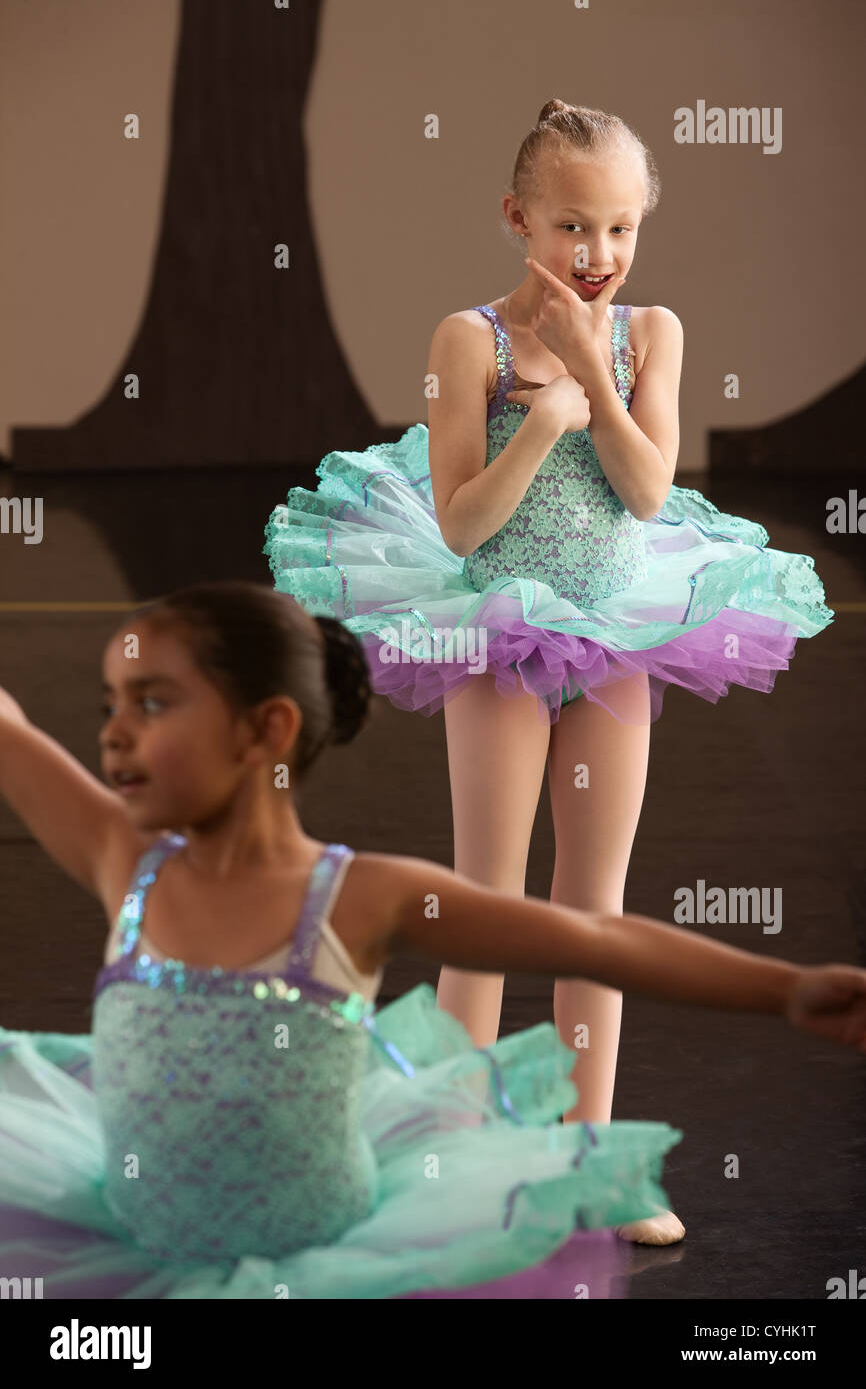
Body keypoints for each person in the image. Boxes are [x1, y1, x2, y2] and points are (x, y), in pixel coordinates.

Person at [262, 100, 833, 1244]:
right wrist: (539, 422)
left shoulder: (651, 331)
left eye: (619, 230)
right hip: (499, 636)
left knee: (592, 913)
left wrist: (593, 377)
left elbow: (647, 491)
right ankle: (447, 1163)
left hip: (619, 631)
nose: (598, 256)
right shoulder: (463, 341)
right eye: (572, 227)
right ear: (516, 216)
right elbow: (465, 525)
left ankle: (591, 1164)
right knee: (490, 904)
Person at [0, 582, 861, 1300]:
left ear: (269, 730)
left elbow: (599, 939)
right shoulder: (123, 860)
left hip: (332, 1264)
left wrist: (780, 989)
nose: (112, 733)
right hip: (138, 1246)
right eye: (109, 704)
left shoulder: (365, 898)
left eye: (151, 704)